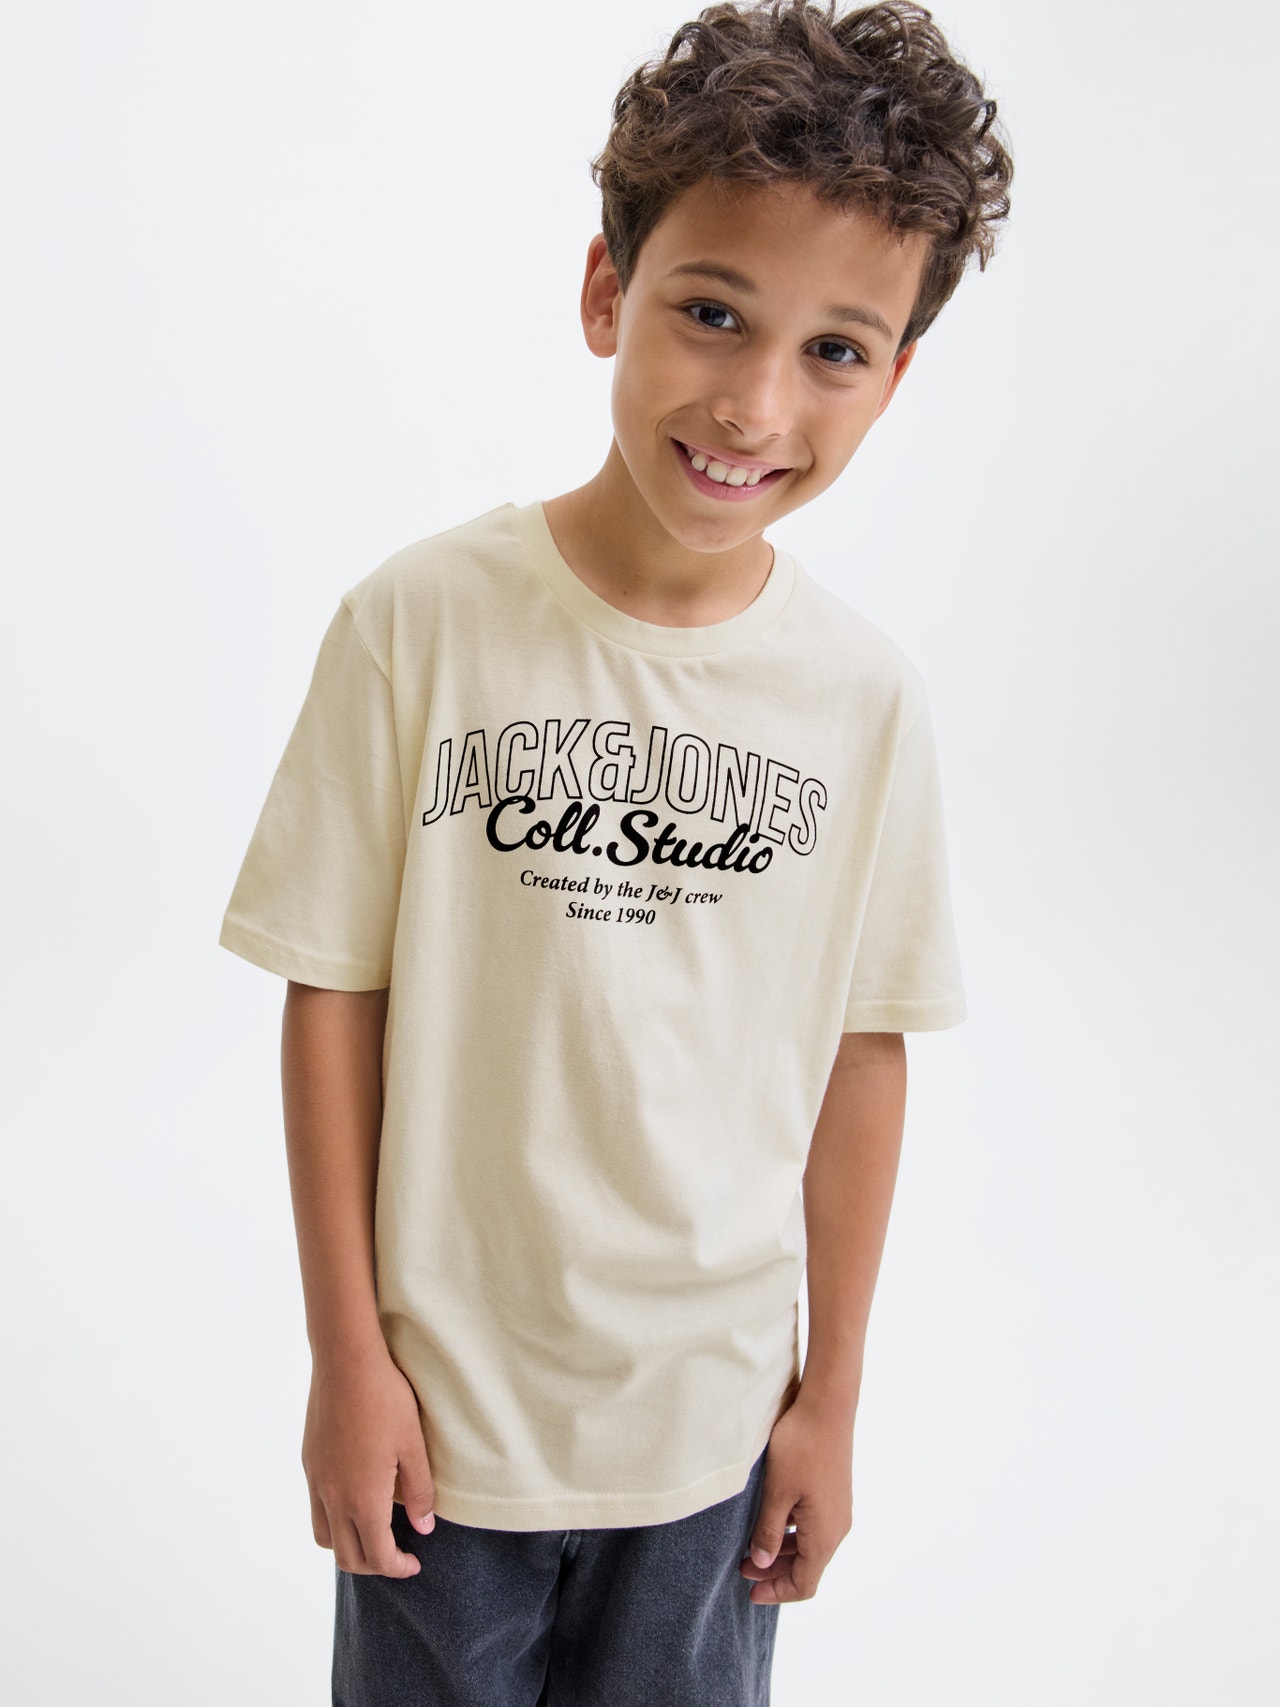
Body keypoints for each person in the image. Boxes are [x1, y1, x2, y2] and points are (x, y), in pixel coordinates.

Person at [218, 2, 1013, 1700]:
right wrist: (347, 1359)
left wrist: (830, 1399)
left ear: (894, 378)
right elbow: (333, 997)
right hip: (444, 1430)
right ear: (607, 292)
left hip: (710, 1443)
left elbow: (860, 1055)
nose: (755, 402)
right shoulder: (419, 626)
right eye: (712, 313)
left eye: (835, 349)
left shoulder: (861, 700)